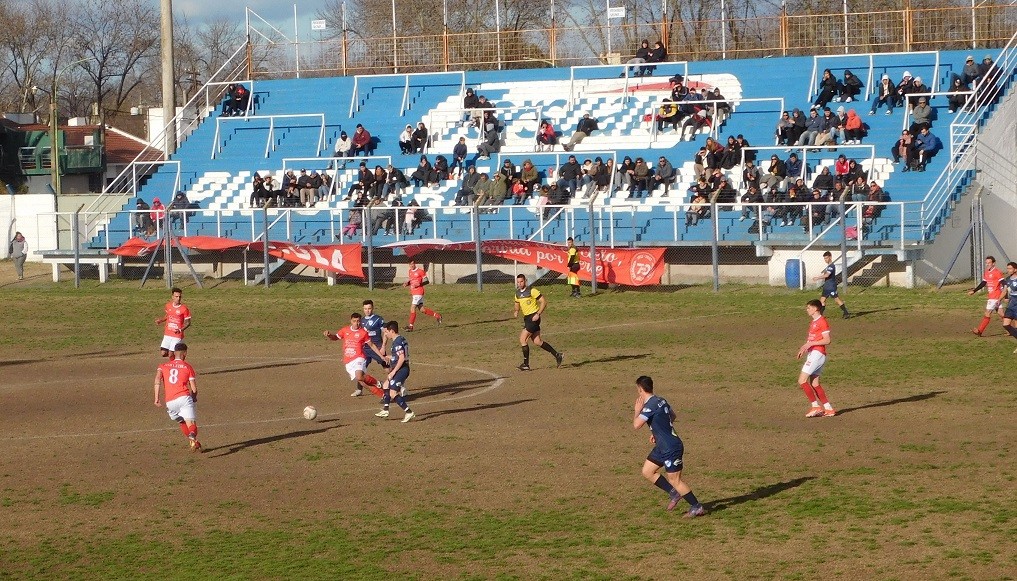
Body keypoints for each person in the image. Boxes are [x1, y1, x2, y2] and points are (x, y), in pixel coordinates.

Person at [632, 375, 707, 517]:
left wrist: (637, 410)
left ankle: (696, 506)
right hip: (663, 445)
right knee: (647, 471)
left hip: (670, 448)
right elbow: (672, 416)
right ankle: (674, 493)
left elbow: (636, 425)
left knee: (675, 480)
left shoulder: (649, 406)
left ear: (640, 389)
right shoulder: (661, 400)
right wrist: (658, 431)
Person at [153, 342, 201, 452]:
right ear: (185, 353)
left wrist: (156, 398)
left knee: (182, 422)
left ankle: (194, 442)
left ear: (174, 353)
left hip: (170, 402)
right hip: (184, 398)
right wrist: (193, 397)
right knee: (191, 423)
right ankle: (192, 435)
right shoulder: (188, 367)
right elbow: (194, 389)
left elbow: (157, 380)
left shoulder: (163, 366)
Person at [324, 312, 385, 397]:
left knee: (359, 376)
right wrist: (329, 335)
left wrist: (381, 356)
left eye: (358, 321)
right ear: (351, 321)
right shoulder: (345, 330)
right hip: (348, 361)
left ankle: (378, 383)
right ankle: (383, 395)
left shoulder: (363, 332)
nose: (357, 323)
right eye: (354, 321)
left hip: (359, 358)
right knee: (362, 383)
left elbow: (371, 345)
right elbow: (335, 338)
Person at [513, 274, 564, 371]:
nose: (520, 284)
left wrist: (538, 314)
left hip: (533, 318)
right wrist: (516, 311)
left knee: (522, 339)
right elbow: (517, 304)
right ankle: (557, 355)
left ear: (525, 281)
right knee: (537, 341)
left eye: (521, 281)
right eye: (518, 282)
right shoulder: (517, 294)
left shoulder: (532, 291)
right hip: (527, 318)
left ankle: (526, 364)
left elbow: (543, 302)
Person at [797, 299, 837, 418]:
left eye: (809, 307)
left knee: (802, 380)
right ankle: (829, 409)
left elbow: (827, 340)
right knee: (814, 383)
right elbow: (812, 339)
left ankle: (815, 407)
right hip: (814, 354)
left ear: (815, 309)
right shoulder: (814, 322)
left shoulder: (822, 321)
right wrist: (805, 347)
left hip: (817, 354)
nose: (807, 310)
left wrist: (810, 344)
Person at [375, 321, 415, 422]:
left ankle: (409, 412)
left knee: (393, 393)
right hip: (400, 367)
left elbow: (401, 358)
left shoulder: (397, 342)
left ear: (392, 331)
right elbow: (399, 356)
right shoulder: (401, 339)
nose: (385, 334)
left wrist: (393, 372)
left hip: (401, 369)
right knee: (385, 385)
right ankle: (385, 409)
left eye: (386, 332)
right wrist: (390, 357)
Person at [968, 256, 1006, 336]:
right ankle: (1011, 329)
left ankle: (980, 331)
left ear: (993, 263)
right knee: (1001, 313)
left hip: (995, 296)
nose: (987, 264)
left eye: (989, 263)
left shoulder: (997, 272)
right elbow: (983, 283)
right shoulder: (987, 272)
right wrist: (974, 291)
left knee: (987, 312)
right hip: (992, 296)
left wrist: (1006, 296)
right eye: (986, 263)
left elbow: (1004, 283)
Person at [405, 259, 442, 331]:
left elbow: (427, 281)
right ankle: (438, 316)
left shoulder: (420, 271)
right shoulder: (410, 271)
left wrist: (420, 284)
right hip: (414, 293)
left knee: (412, 308)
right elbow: (411, 280)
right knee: (422, 310)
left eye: (413, 264)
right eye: (410, 264)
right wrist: (407, 283)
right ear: (408, 265)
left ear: (415, 264)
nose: (411, 265)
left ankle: (410, 326)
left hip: (419, 292)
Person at [155, 287, 191, 358]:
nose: (178, 298)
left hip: (177, 334)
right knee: (163, 353)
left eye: (180, 296)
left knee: (171, 354)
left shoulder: (184, 309)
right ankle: (179, 356)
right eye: (176, 296)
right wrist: (161, 320)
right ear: (172, 297)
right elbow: (168, 315)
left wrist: (180, 330)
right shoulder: (168, 306)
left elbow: (188, 323)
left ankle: (175, 365)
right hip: (167, 333)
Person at [814, 251, 851, 318]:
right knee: (822, 300)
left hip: (831, 286)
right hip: (826, 286)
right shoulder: (828, 266)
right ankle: (820, 316)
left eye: (827, 258)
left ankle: (846, 312)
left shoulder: (831, 266)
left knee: (836, 299)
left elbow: (827, 275)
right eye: (824, 258)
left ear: (830, 257)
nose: (825, 260)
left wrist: (817, 278)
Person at [361, 299, 389, 374]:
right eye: (365, 309)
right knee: (361, 370)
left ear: (372, 308)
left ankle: (395, 384)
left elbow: (386, 333)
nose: (367, 311)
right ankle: (360, 385)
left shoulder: (378, 319)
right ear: (363, 309)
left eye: (369, 308)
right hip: (365, 348)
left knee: (387, 367)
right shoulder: (361, 321)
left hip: (377, 347)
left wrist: (383, 347)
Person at [999, 262, 1017, 353]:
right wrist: (999, 300)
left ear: (1015, 269)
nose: (1008, 270)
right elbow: (1005, 291)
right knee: (1006, 324)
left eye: (1010, 268)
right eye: (1008, 268)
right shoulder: (1007, 279)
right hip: (1011, 304)